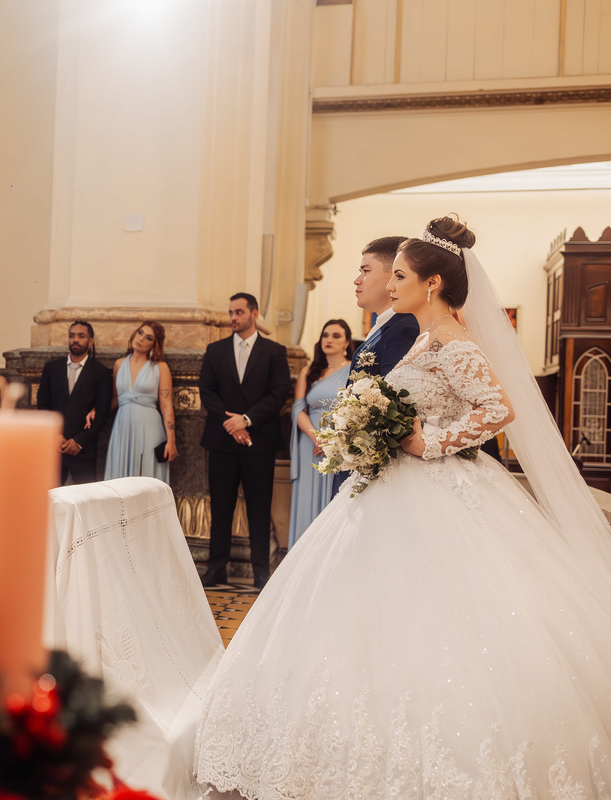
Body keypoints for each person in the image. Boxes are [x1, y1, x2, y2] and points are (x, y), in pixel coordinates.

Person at [194, 216, 611, 798]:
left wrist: (429, 441)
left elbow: (498, 409)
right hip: (391, 485)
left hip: (437, 488)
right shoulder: (421, 336)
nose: (391, 284)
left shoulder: (450, 339)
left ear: (433, 282)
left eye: (401, 275)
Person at [198, 293, 291, 589]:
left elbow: (278, 394)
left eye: (238, 312)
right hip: (222, 441)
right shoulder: (215, 350)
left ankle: (260, 570)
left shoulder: (274, 351)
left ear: (254, 313)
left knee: (259, 508)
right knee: (221, 508)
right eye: (230, 313)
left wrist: (247, 420)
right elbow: (207, 391)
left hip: (258, 442)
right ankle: (216, 569)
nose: (233, 318)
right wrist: (232, 424)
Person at [331, 236, 420, 495]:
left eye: (365, 271)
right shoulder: (383, 325)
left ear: (393, 275)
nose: (357, 280)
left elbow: (399, 403)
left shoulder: (403, 328)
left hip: (376, 471)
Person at [287, 319, 354, 547]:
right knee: (307, 499)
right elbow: (298, 408)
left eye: (336, 336)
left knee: (332, 502)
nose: (329, 340)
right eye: (326, 335)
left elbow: (356, 408)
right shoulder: (309, 371)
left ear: (346, 341)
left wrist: (331, 440)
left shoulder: (353, 370)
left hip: (339, 443)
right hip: (310, 442)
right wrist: (317, 437)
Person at [37, 321, 113, 484]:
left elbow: (102, 412)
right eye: (72, 336)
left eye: (81, 336)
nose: (75, 340)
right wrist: (55, 435)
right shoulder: (51, 368)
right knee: (50, 499)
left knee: (86, 501)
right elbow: (43, 405)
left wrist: (79, 441)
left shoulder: (101, 372)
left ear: (90, 341)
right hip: (54, 448)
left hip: (84, 451)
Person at [104, 321, 177, 482]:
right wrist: (95, 410)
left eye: (149, 338)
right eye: (140, 332)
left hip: (150, 428)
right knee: (119, 480)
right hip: (122, 428)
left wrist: (171, 441)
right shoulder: (119, 364)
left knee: (147, 478)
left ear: (154, 345)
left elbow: (166, 405)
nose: (141, 339)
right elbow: (116, 399)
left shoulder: (160, 367)